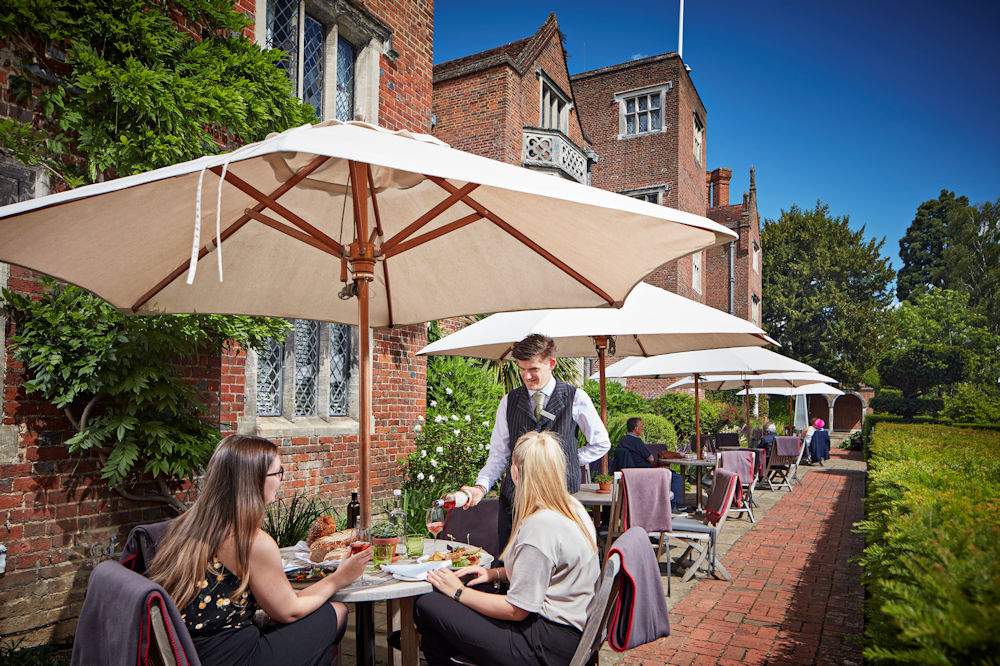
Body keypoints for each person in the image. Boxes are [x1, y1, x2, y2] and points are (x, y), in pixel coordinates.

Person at [147, 435, 371, 666]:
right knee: (336, 613)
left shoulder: (184, 526)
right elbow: (290, 611)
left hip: (195, 650)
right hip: (233, 655)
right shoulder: (251, 540)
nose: (281, 480)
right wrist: (341, 577)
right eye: (278, 473)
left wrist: (258, 616)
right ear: (253, 481)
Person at [414, 431, 600, 665]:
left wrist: (458, 591)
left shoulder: (540, 526)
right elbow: (546, 572)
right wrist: (495, 574)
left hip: (543, 645)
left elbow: (517, 610)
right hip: (570, 634)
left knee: (427, 604)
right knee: (439, 624)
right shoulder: (572, 507)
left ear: (515, 472)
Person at [460, 334, 610, 548]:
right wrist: (481, 487)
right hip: (515, 504)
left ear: (551, 364)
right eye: (522, 369)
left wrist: (568, 458)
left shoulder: (576, 397)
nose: (526, 376)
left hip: (559, 502)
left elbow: (601, 443)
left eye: (533, 369)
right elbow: (498, 455)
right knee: (512, 567)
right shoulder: (509, 401)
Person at [612, 417, 689, 513]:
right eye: (641, 426)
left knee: (669, 473)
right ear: (636, 428)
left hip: (631, 474)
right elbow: (651, 458)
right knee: (675, 477)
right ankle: (673, 507)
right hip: (645, 473)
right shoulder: (637, 441)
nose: (642, 427)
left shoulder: (623, 441)